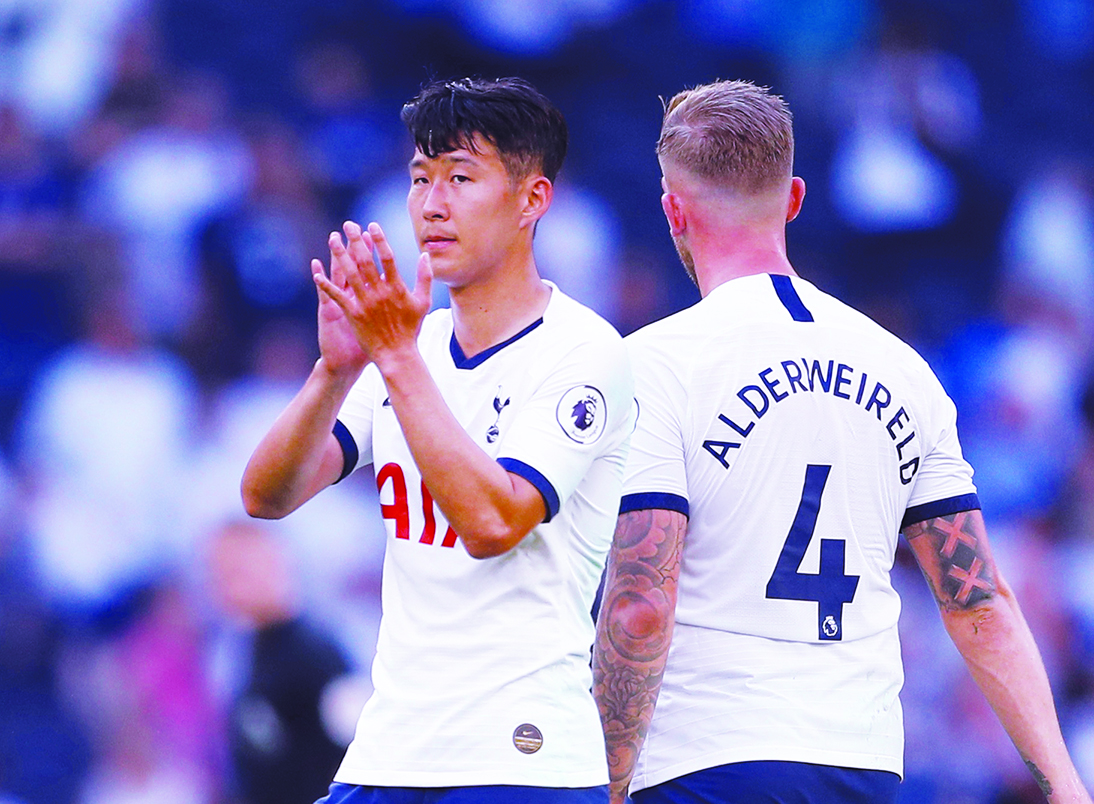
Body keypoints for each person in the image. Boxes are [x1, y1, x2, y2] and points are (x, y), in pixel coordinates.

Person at [591, 79, 1092, 804]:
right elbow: (978, 601)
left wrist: (604, 784)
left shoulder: (654, 365)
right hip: (859, 762)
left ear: (672, 209)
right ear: (794, 199)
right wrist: (1066, 782)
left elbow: (641, 600)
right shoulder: (903, 368)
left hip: (705, 763)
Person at [242, 76, 634, 804]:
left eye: (461, 177)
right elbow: (266, 495)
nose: (431, 204)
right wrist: (335, 370)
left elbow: (493, 521)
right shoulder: (407, 345)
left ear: (532, 200)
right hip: (390, 749)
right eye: (420, 178)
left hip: (521, 758)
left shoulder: (586, 352)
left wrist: (391, 357)